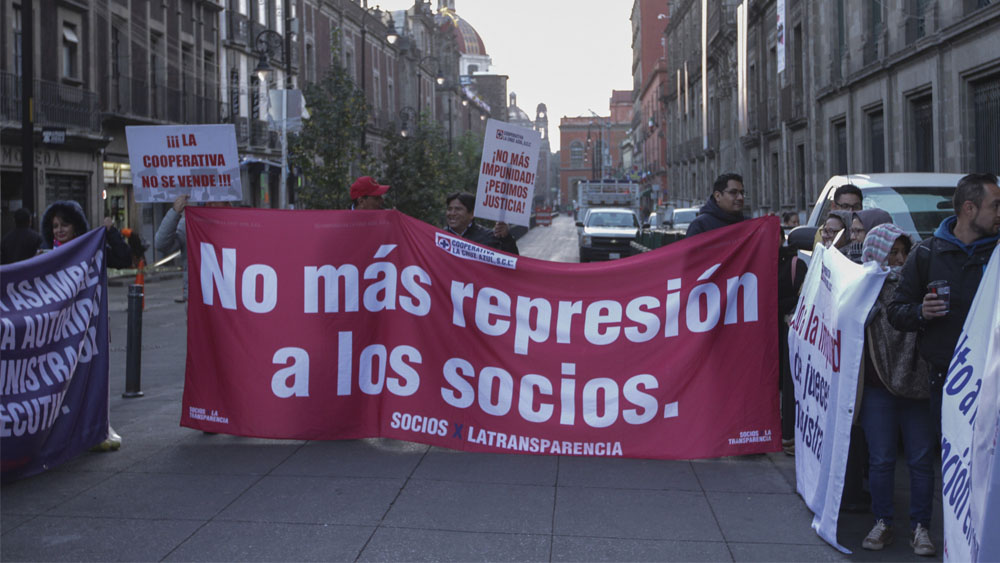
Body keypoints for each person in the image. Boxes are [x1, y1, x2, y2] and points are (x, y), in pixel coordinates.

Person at [888, 173, 1000, 432]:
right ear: (969, 209)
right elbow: (895, 312)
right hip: (948, 380)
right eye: (995, 205)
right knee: (954, 462)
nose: (999, 213)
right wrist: (921, 312)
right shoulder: (926, 253)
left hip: (993, 379)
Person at [858, 224, 935, 555]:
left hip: (918, 389)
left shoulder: (922, 288)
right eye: (892, 252)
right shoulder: (862, 290)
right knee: (881, 459)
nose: (900, 260)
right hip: (878, 389)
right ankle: (883, 521)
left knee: (920, 460)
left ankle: (921, 527)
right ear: (876, 253)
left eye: (905, 252)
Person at [40, 200, 129, 451]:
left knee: (91, 376)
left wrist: (110, 232)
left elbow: (123, 259)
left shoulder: (92, 250)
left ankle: (96, 427)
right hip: (56, 334)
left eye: (64, 225)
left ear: (77, 227)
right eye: (55, 225)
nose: (58, 230)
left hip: (88, 329)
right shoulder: (44, 254)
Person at [156, 195, 231, 303]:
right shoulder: (190, 224)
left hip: (229, 299)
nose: (210, 203)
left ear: (227, 203)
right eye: (207, 199)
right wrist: (175, 212)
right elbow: (161, 244)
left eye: (216, 198)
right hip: (198, 301)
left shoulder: (238, 225)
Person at [778, 232, 807, 455]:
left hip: (786, 332)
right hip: (761, 336)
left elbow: (802, 299)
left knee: (789, 383)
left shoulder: (795, 265)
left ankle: (788, 435)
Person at [444, 192, 519, 254]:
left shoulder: (489, 238)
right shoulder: (439, 237)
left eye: (458, 209)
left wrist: (506, 238)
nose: (452, 213)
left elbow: (511, 263)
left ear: (472, 214)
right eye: (449, 209)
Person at [685, 173, 745, 238]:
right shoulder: (700, 225)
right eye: (733, 192)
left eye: (742, 193)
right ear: (717, 196)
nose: (740, 197)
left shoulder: (748, 224)